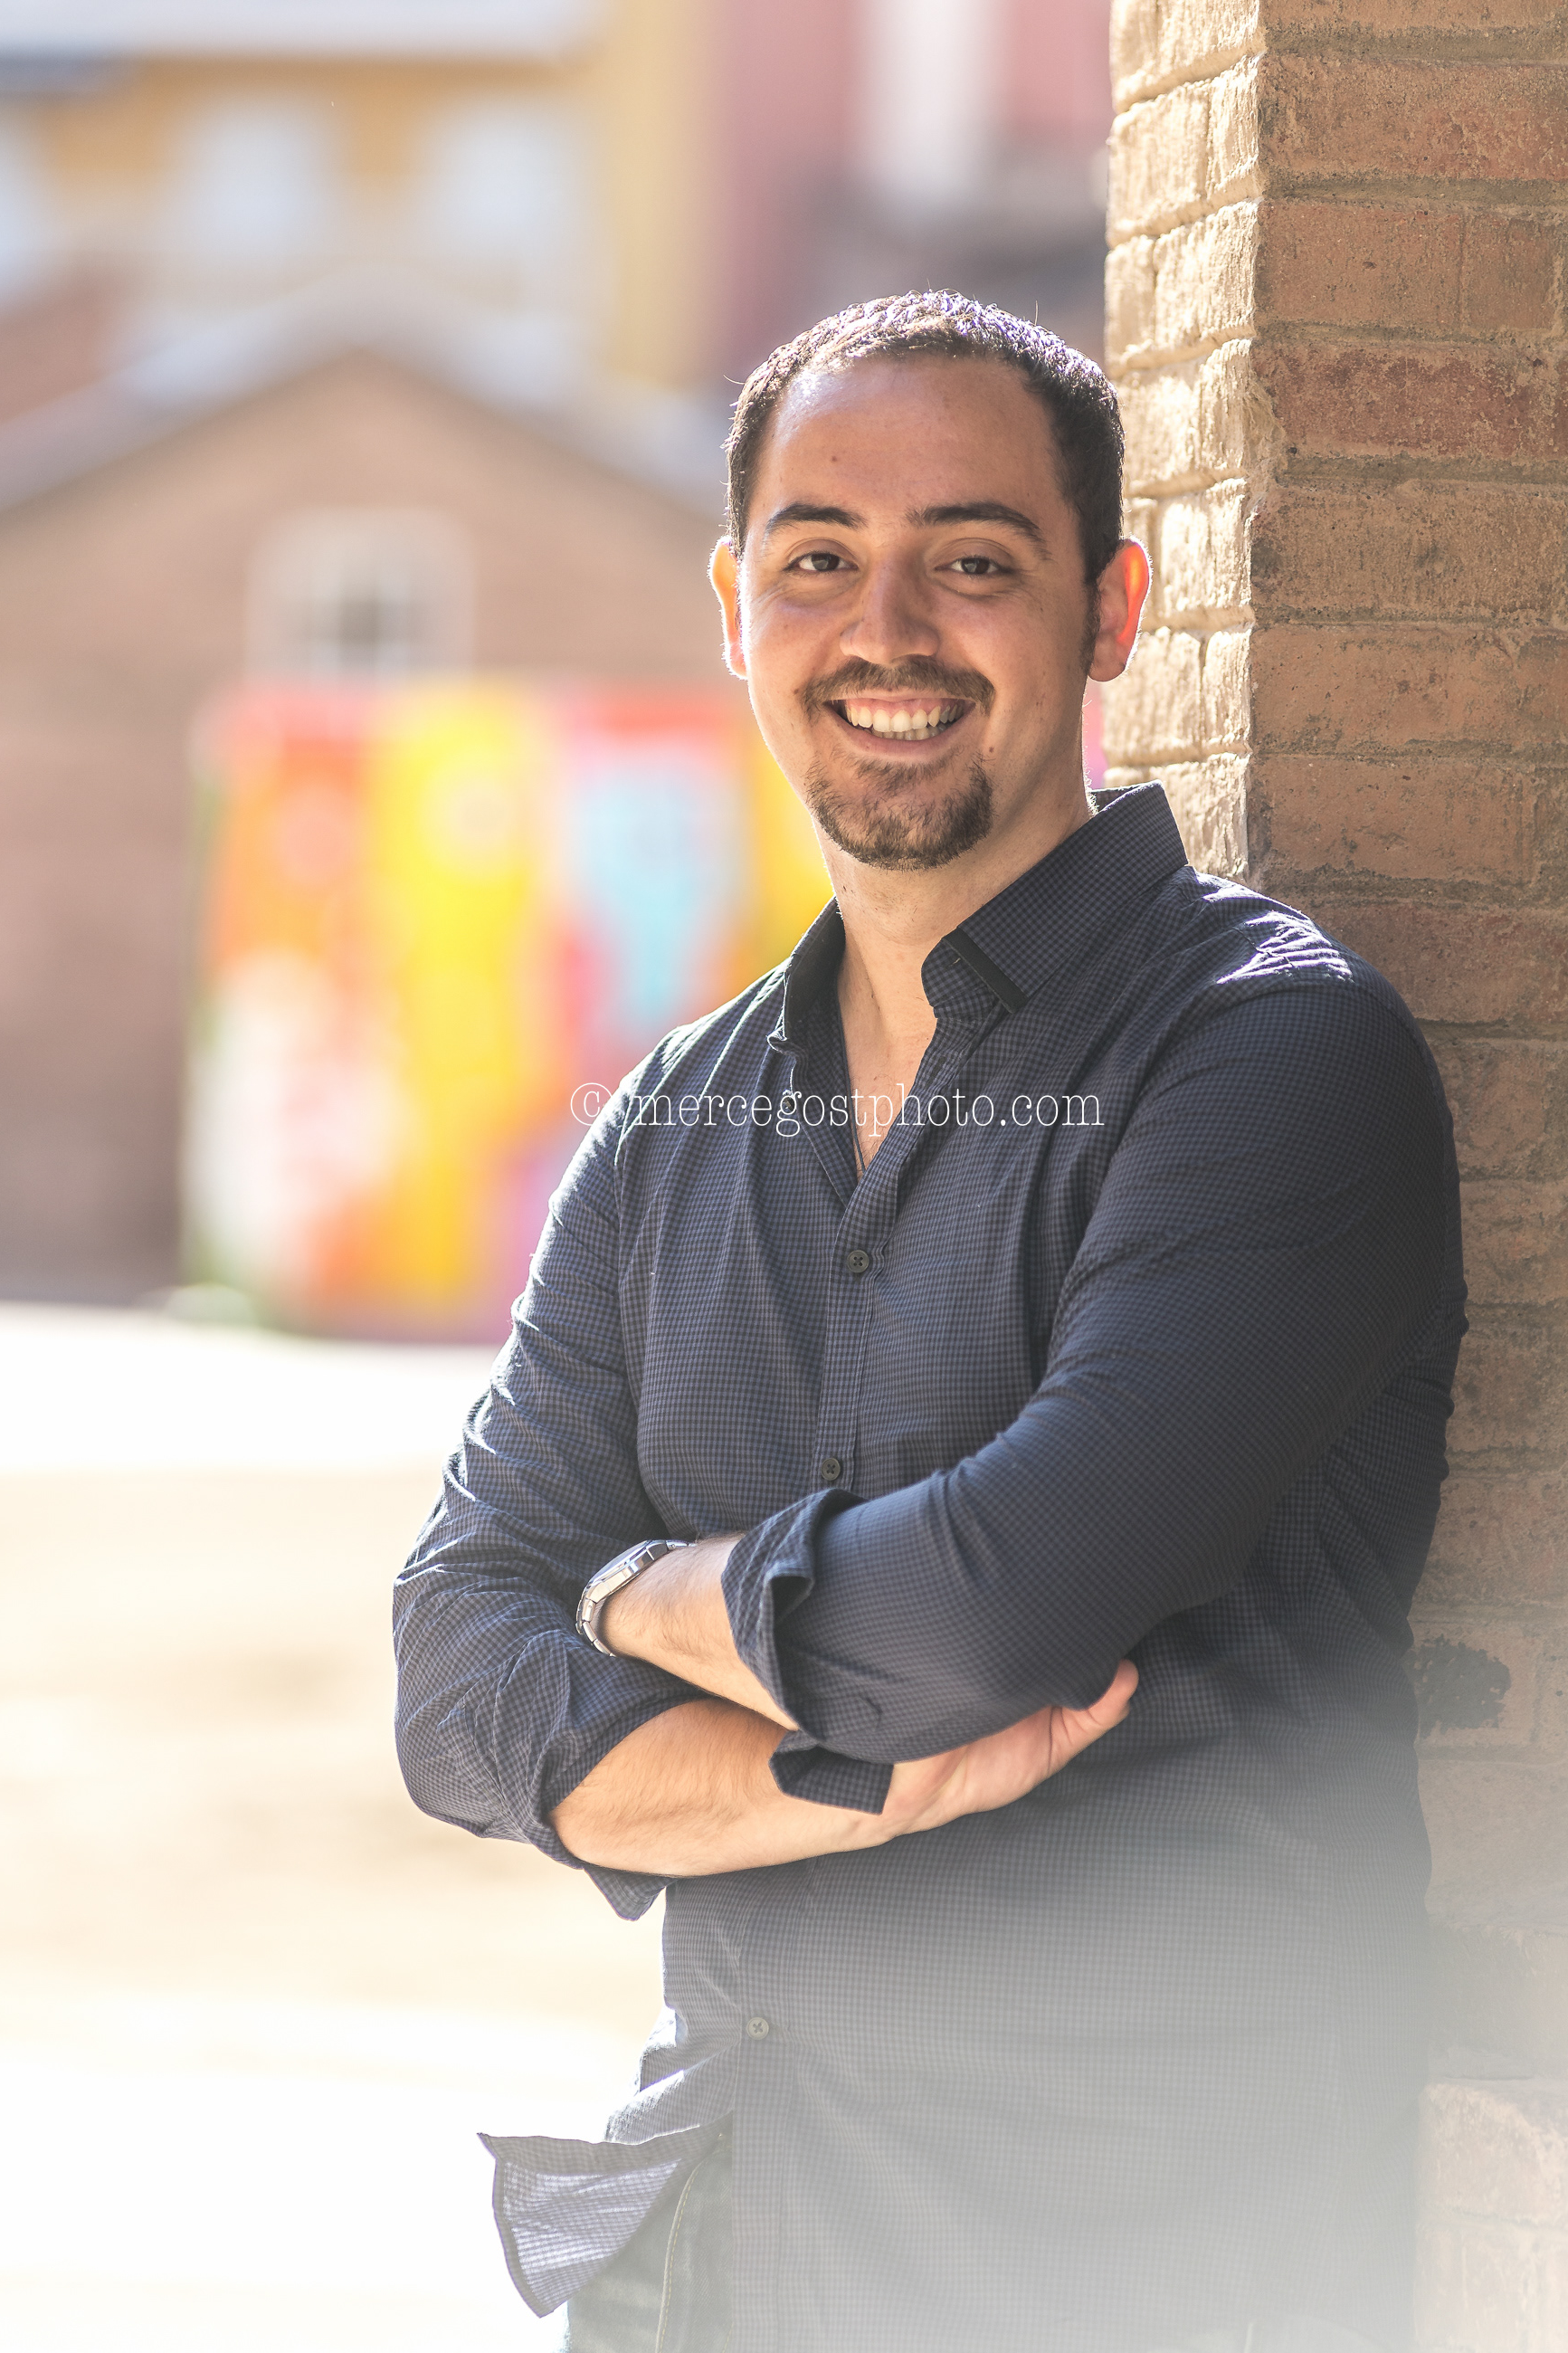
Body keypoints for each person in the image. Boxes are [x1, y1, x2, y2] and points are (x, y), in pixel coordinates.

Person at [394, 291, 1465, 2353]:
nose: (885, 631)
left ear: (1113, 608)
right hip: (731, 2232)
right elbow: (451, 1673)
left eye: (972, 560)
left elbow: (976, 1628)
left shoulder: (1268, 1060)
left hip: (1143, 2264)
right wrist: (844, 1779)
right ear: (737, 610)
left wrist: (626, 1594)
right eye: (818, 559)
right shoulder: (675, 1119)